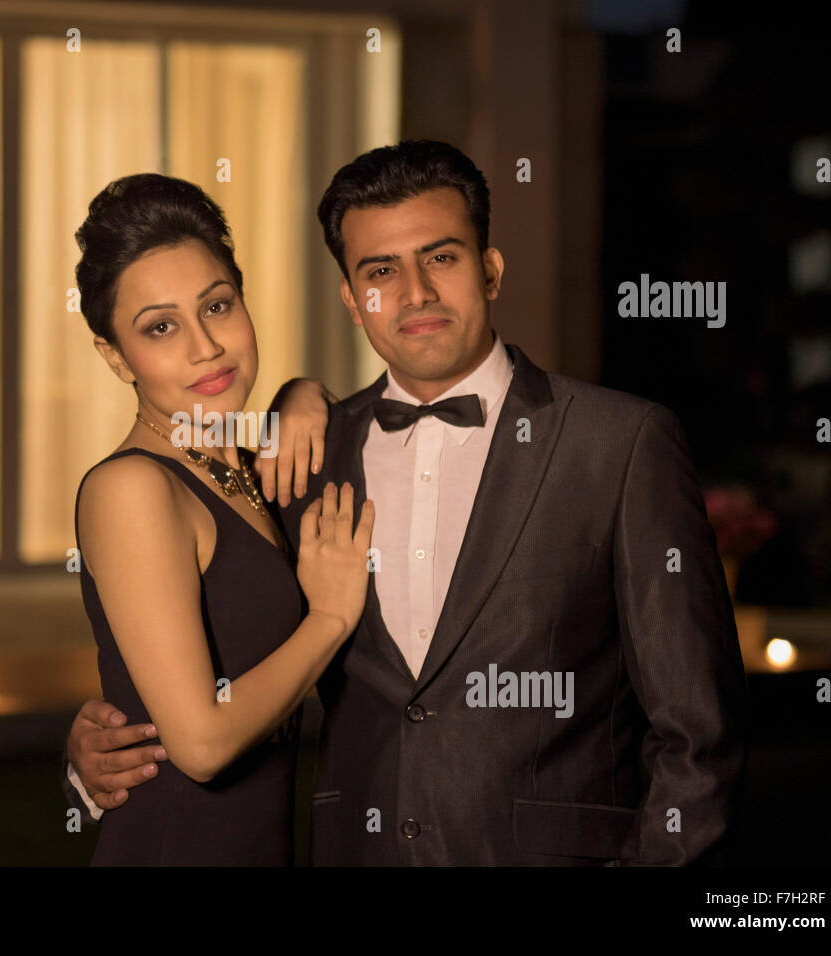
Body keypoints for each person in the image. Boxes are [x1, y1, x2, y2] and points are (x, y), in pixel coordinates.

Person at [64, 141, 749, 866]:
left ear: (489, 270)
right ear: (353, 301)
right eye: (382, 272)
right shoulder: (305, 461)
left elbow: (698, 733)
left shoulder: (620, 444)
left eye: (443, 258)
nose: (415, 293)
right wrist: (88, 762)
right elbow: (184, 690)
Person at [68, 173, 375, 865]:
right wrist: (328, 618)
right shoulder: (132, 489)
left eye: (218, 306)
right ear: (116, 356)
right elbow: (201, 746)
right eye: (160, 327)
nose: (205, 347)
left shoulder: (246, 464)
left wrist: (304, 392)